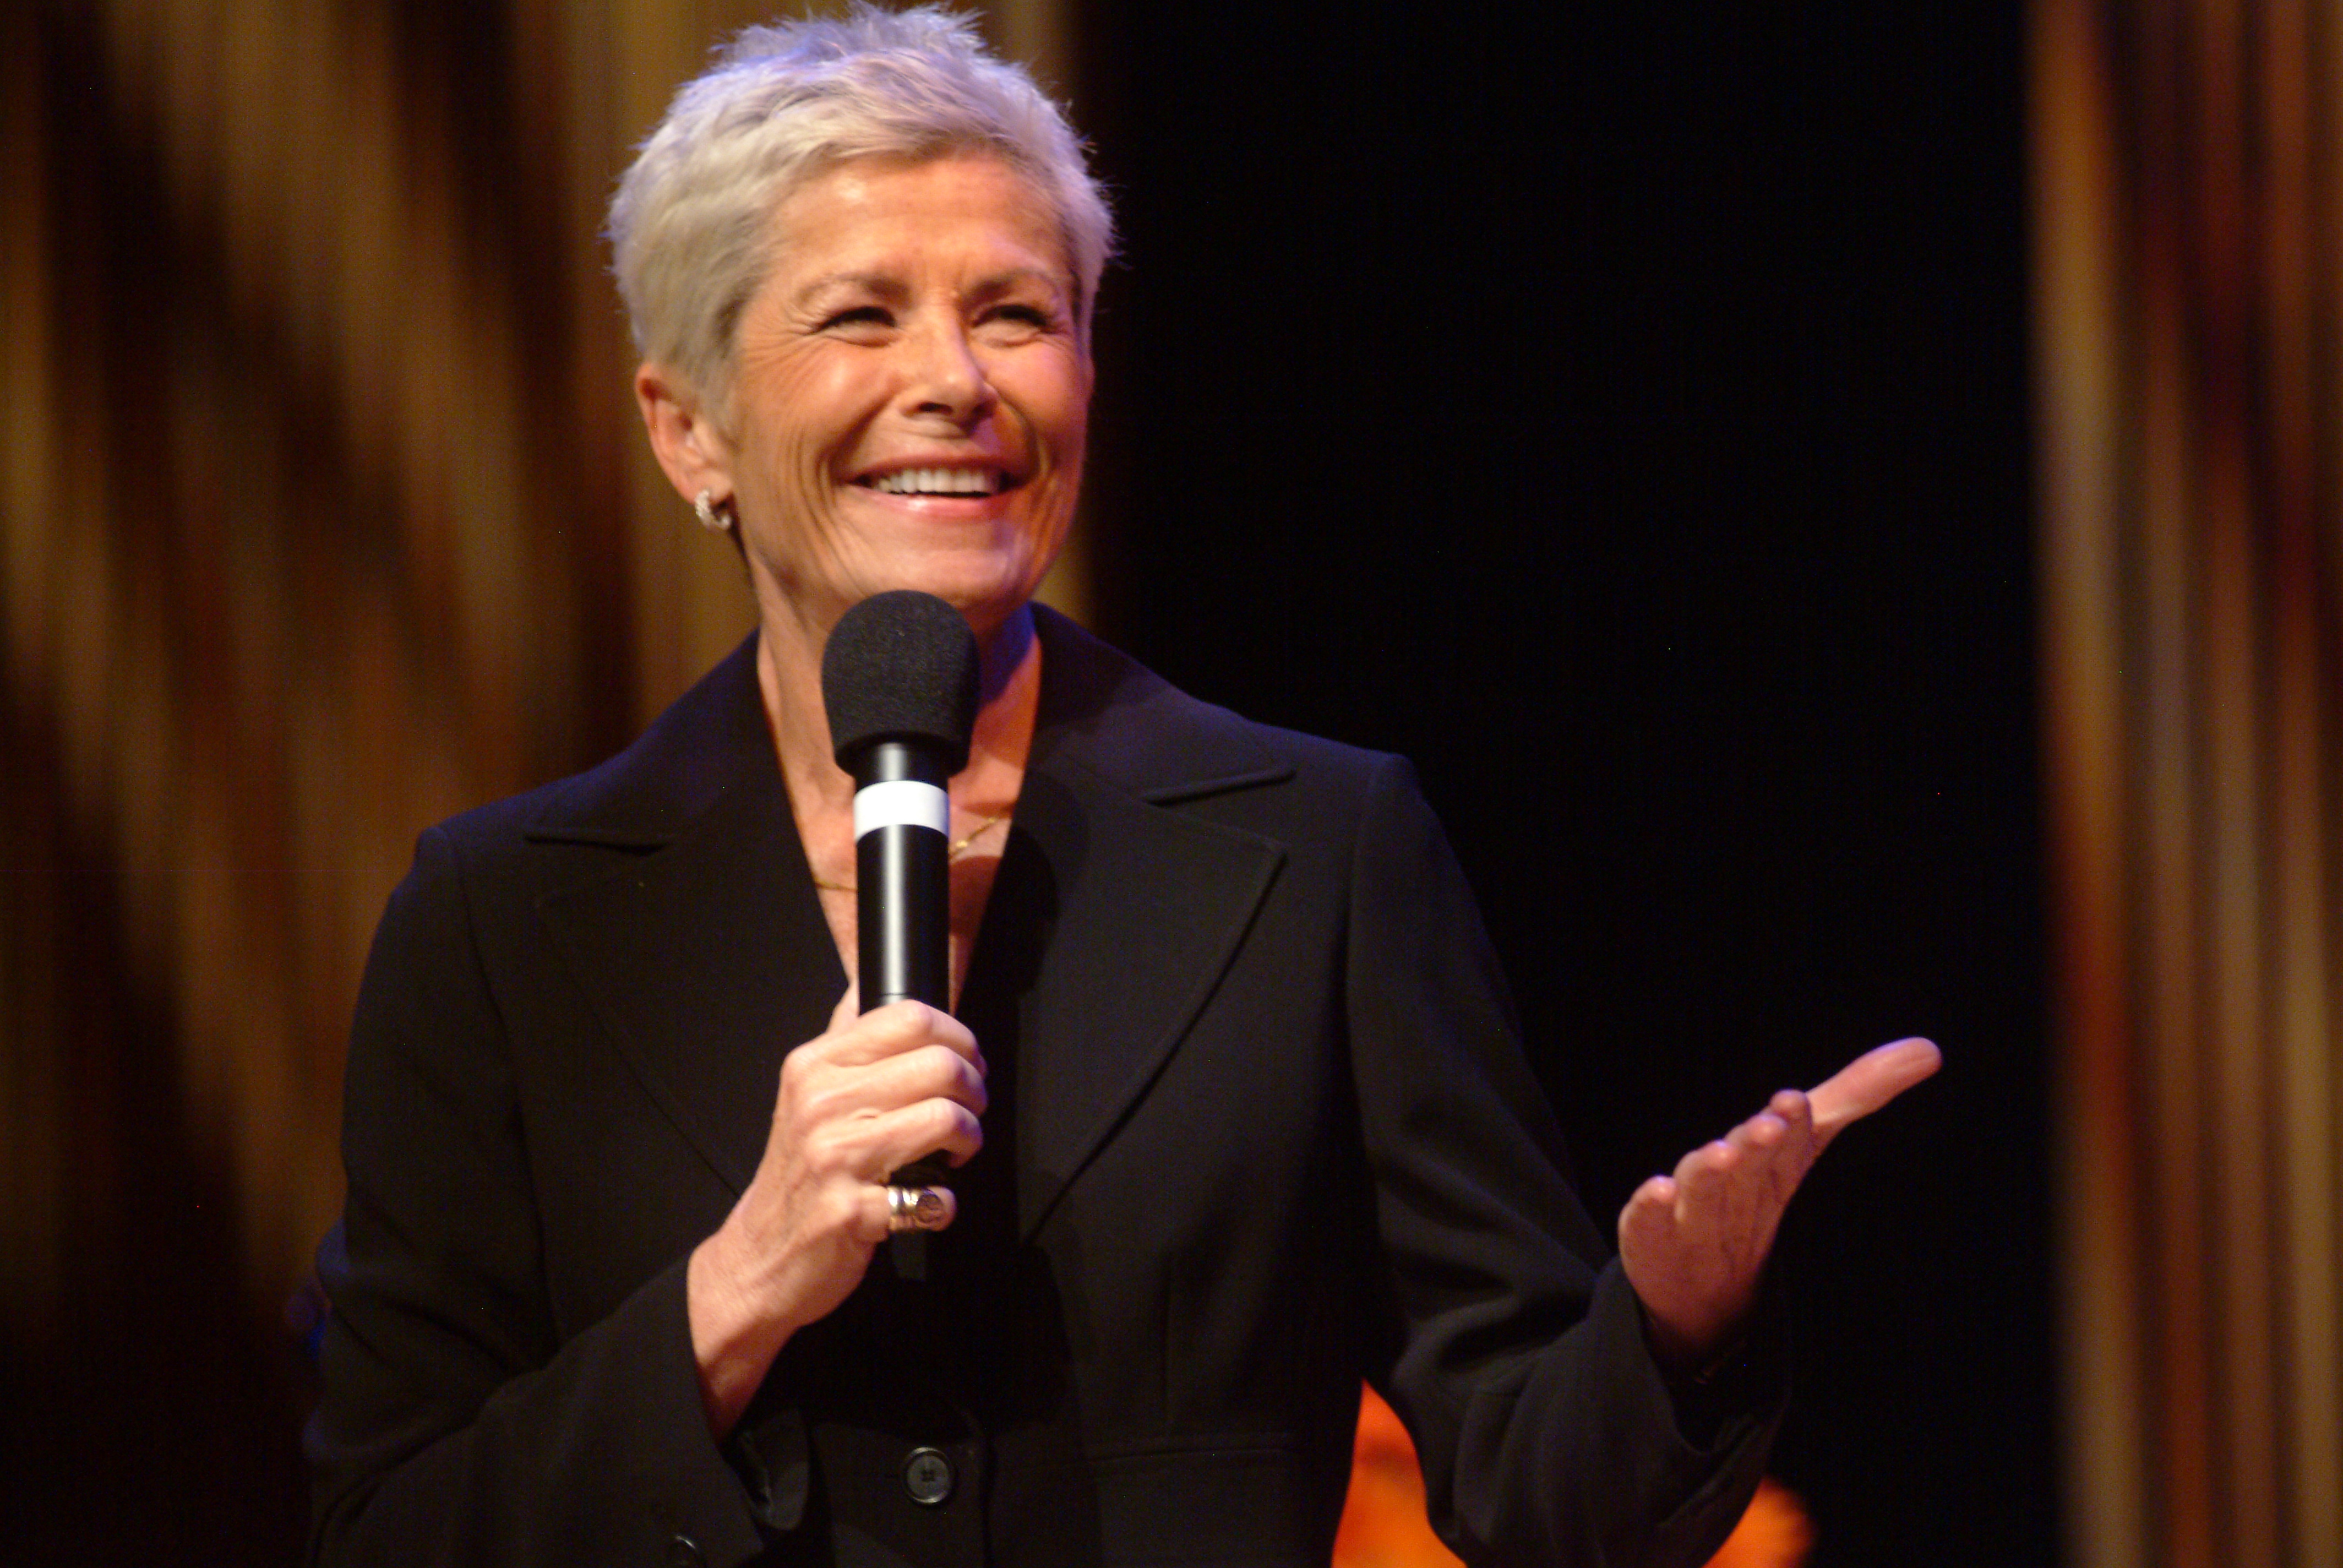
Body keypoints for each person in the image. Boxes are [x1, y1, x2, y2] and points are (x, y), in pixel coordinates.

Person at [305, 8, 1940, 1565]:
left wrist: (1676, 1327)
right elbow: (395, 1531)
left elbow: (1542, 1495)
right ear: (690, 431)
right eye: (862, 315)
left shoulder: (1314, 855)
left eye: (1017, 315)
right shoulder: (506, 920)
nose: (956, 379)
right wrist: (739, 1286)